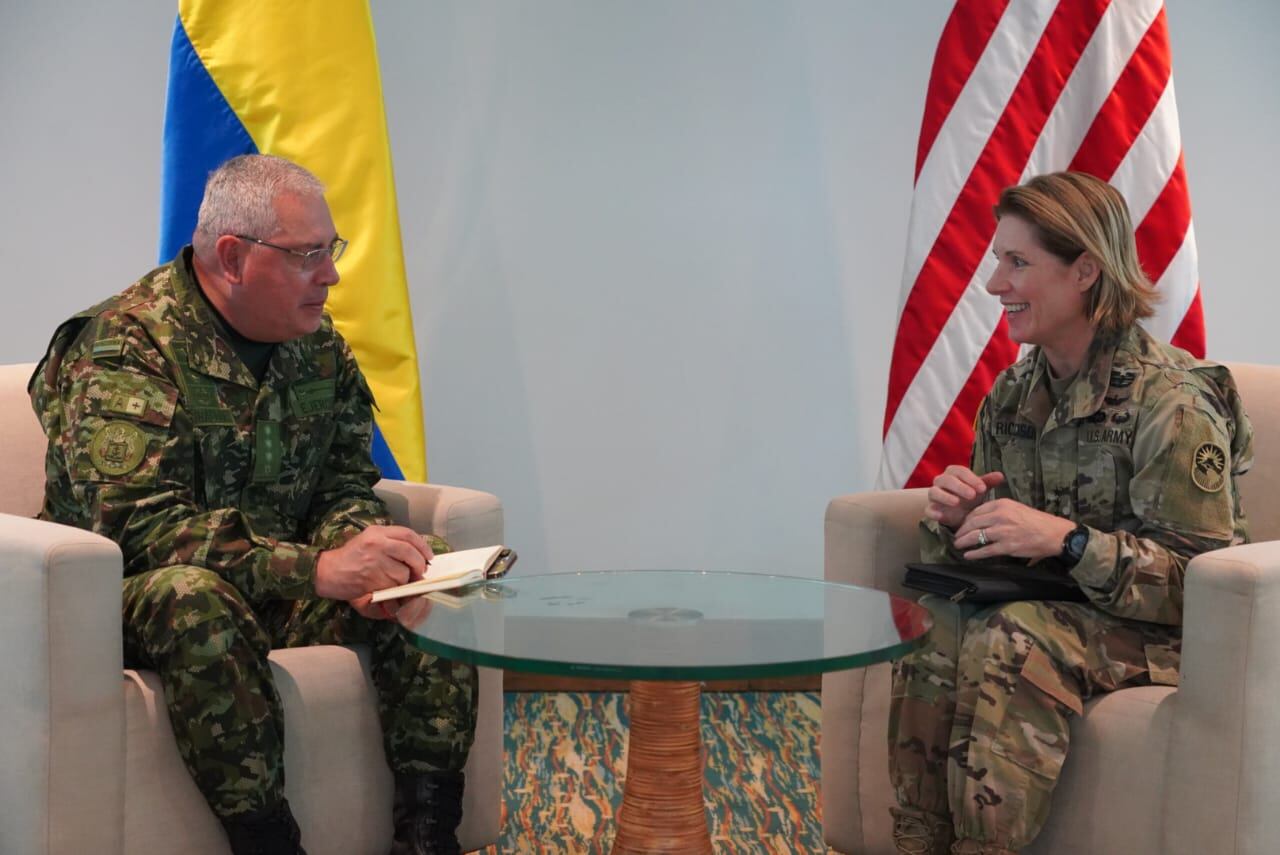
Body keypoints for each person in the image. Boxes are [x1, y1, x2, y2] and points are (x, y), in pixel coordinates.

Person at [29, 154, 475, 855]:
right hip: (120, 602)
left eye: (332, 250)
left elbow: (339, 485)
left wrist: (365, 547)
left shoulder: (316, 348)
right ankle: (267, 842)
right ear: (233, 257)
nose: (330, 274)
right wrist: (320, 569)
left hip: (272, 588)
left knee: (429, 574)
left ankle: (428, 833)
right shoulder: (125, 345)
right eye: (308, 256)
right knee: (194, 597)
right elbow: (135, 528)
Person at [886, 171, 1253, 855]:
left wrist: (1071, 541)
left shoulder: (1171, 403)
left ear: (1084, 270)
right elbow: (994, 557)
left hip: (1160, 636)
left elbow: (1204, 586)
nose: (995, 283)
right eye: (999, 261)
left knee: (1015, 636)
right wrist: (964, 519)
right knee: (933, 627)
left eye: (1017, 262)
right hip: (1064, 610)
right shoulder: (1013, 393)